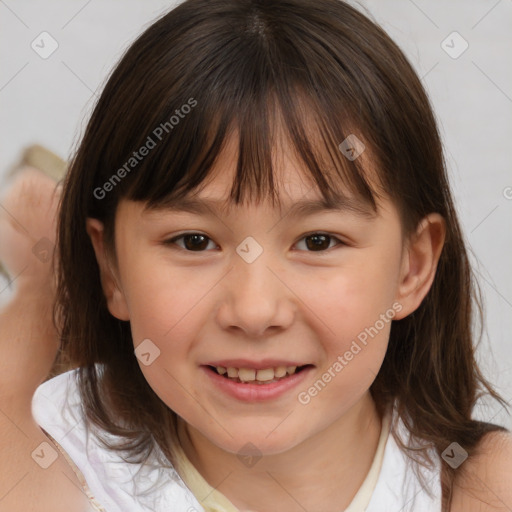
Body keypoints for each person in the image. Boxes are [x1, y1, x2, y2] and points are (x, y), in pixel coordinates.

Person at [1, 0, 511, 511]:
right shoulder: (51, 473)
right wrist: (40, 287)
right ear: (110, 267)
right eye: (194, 241)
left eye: (317, 241)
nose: (254, 311)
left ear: (412, 267)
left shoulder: (481, 487)